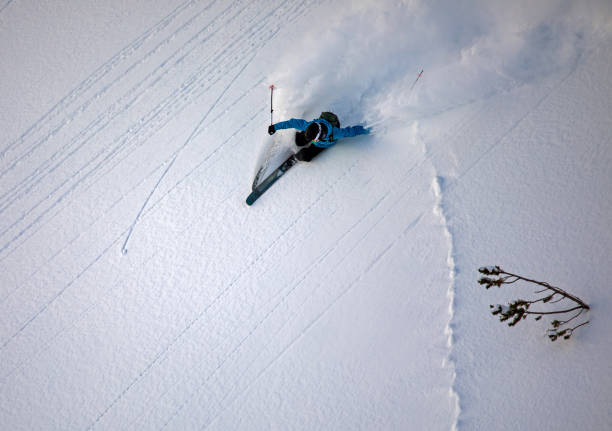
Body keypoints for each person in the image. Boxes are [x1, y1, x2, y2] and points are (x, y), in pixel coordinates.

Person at [267, 113, 370, 162]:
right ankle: (301, 143)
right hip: (313, 134)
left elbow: (352, 131)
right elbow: (291, 123)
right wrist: (274, 127)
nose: (313, 141)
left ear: (322, 136)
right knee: (299, 141)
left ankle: (298, 156)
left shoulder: (336, 133)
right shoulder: (308, 126)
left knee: (305, 156)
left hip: (321, 146)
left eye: (315, 139)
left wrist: (368, 128)